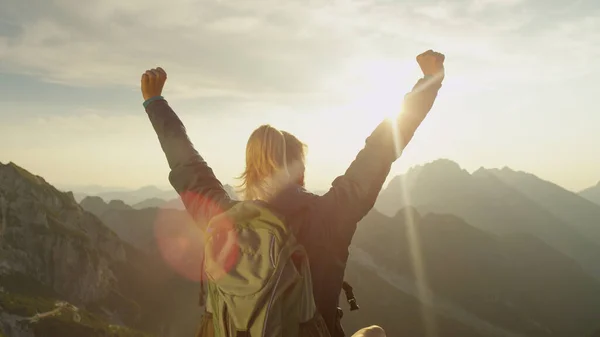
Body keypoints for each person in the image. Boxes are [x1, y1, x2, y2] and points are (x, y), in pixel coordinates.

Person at [141, 49, 445, 337]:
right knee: (374, 334)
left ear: (251, 171)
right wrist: (429, 83)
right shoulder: (330, 216)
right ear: (300, 172)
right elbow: (379, 151)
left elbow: (186, 164)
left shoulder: (222, 218)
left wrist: (155, 101)